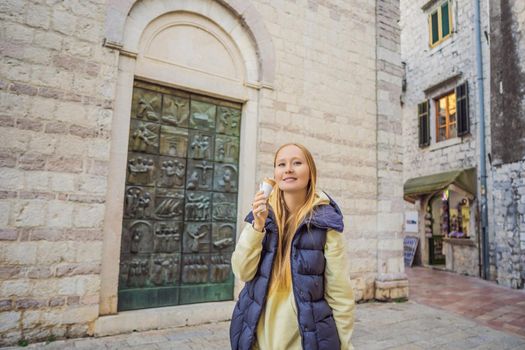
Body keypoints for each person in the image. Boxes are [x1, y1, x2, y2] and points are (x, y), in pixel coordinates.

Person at [229, 143, 355, 350]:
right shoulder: (261, 216)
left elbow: (340, 294)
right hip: (255, 337)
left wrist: (344, 345)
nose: (288, 168)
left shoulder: (325, 223)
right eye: (281, 164)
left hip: (305, 340)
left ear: (310, 172)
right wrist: (257, 227)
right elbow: (242, 271)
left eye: (297, 163)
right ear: (276, 174)